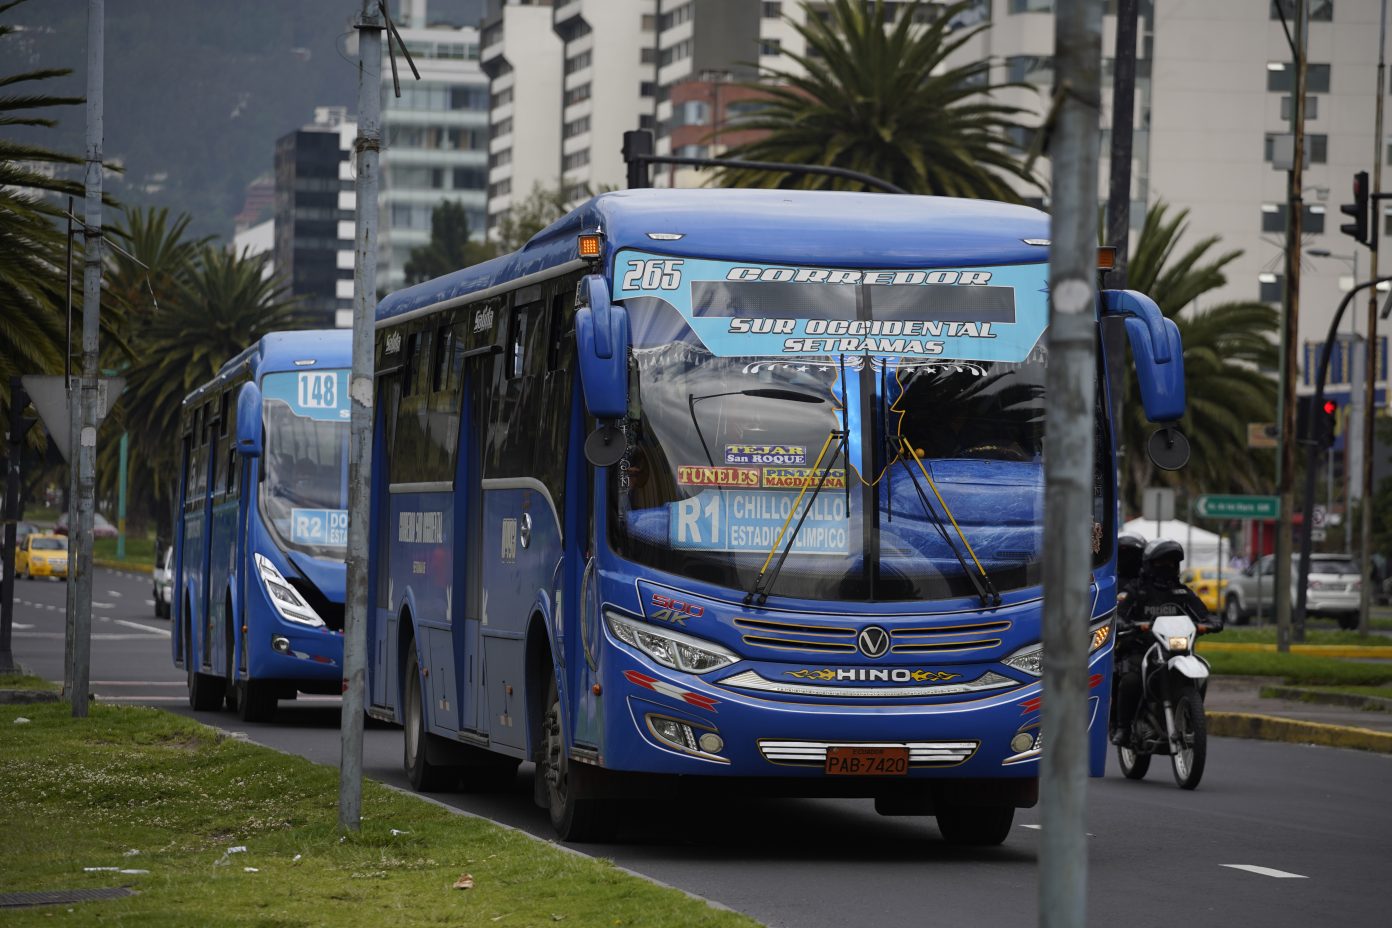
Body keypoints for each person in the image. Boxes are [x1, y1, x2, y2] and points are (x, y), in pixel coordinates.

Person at [1109, 538, 1220, 746]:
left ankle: (1189, 716)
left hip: (1176, 651)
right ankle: (1123, 728)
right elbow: (1120, 615)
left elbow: (1204, 614)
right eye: (1161, 563)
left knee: (1202, 669)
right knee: (1131, 679)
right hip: (1142, 649)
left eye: (1172, 563)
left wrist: (1210, 622)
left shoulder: (1181, 592)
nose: (1167, 568)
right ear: (1149, 565)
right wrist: (1127, 624)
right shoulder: (1136, 591)